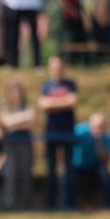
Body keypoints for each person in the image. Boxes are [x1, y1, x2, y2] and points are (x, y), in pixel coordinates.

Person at [37, 56, 81, 210]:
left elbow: (73, 101)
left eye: (59, 67)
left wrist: (52, 104)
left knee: (69, 169)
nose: (56, 70)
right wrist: (63, 103)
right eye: (53, 67)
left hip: (68, 131)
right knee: (51, 170)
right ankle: (51, 204)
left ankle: (70, 204)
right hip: (51, 132)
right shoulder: (46, 85)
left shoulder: (71, 84)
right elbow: (43, 105)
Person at [0, 81, 36, 211]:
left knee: (26, 173)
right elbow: (6, 123)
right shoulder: (5, 107)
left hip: (25, 143)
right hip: (10, 145)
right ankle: (8, 203)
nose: (16, 95)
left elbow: (32, 122)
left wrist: (14, 123)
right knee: (10, 173)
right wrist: (23, 119)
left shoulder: (28, 105)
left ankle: (26, 203)